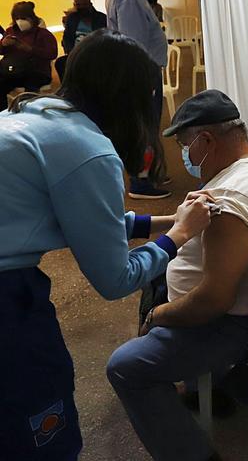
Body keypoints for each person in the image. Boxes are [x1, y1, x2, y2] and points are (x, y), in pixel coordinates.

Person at [0, 30, 213, 461]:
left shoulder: (34, 114)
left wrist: (167, 220)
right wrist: (180, 237)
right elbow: (115, 278)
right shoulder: (88, 149)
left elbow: (85, 217)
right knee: (38, 421)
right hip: (7, 299)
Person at [107, 90, 248, 461]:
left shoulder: (228, 202)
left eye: (185, 144)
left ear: (206, 140)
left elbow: (214, 301)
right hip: (235, 308)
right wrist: (150, 225)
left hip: (224, 324)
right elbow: (191, 229)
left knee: (125, 366)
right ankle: (208, 388)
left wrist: (159, 315)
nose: (184, 154)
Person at [107, 0, 170, 200]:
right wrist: (143, 75)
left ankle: (148, 171)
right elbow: (134, 42)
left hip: (144, 68)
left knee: (148, 122)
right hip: (141, 69)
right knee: (144, 122)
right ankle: (140, 180)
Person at [0, 2, 57, 111]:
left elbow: (52, 53)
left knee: (29, 92)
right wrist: (3, 44)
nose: (20, 21)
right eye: (17, 18)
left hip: (35, 71)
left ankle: (29, 113)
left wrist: (30, 49)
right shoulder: (10, 31)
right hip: (12, 71)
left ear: (31, 18)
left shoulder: (43, 34)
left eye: (23, 18)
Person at [57, 0, 107, 81]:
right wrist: (71, 52)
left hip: (95, 53)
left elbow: (104, 39)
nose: (81, 7)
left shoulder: (101, 18)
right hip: (76, 52)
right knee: (60, 63)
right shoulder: (72, 19)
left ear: (90, 4)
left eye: (84, 4)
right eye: (78, 5)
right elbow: (67, 38)